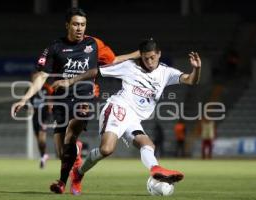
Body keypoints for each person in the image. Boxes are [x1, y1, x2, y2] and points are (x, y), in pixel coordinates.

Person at [11, 7, 139, 195]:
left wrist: (136, 54)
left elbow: (112, 61)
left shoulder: (94, 44)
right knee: (63, 153)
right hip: (61, 101)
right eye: (76, 24)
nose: (80, 28)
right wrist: (24, 99)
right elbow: (41, 76)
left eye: (83, 25)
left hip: (85, 97)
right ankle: (76, 152)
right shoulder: (55, 47)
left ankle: (61, 183)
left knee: (72, 132)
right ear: (67, 25)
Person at [54, 38, 202, 194]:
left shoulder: (166, 72)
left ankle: (155, 168)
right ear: (141, 57)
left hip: (134, 119)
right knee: (106, 149)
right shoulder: (129, 67)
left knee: (148, 145)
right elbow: (97, 71)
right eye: (145, 58)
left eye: (152, 57)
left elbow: (191, 80)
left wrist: (196, 69)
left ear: (159, 54)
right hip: (118, 108)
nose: (149, 61)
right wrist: (70, 81)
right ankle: (78, 173)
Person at [29, 73, 54, 168]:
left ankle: (43, 156)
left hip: (44, 117)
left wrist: (50, 107)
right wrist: (27, 107)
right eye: (33, 78)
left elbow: (52, 100)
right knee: (38, 140)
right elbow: (28, 103)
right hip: (35, 117)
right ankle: (43, 156)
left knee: (42, 139)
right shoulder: (30, 89)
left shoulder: (47, 88)